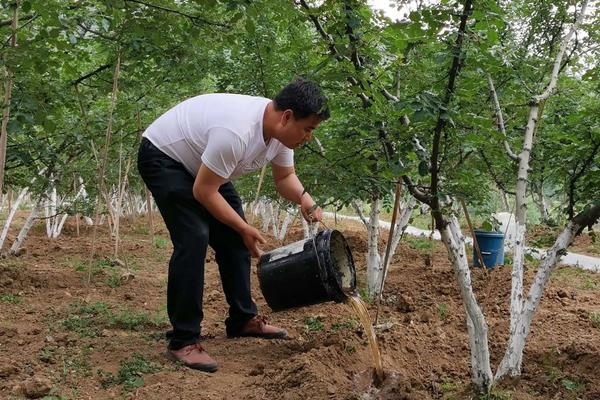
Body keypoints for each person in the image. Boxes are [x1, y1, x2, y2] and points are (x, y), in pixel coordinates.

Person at [137, 78, 328, 372]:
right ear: (288, 116)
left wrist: (306, 200)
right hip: (165, 156)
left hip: (204, 167)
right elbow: (203, 192)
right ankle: (183, 340)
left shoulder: (280, 133)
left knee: (235, 240)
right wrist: (242, 227)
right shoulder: (237, 132)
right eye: (308, 129)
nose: (308, 137)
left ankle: (242, 320)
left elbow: (284, 178)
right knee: (194, 237)